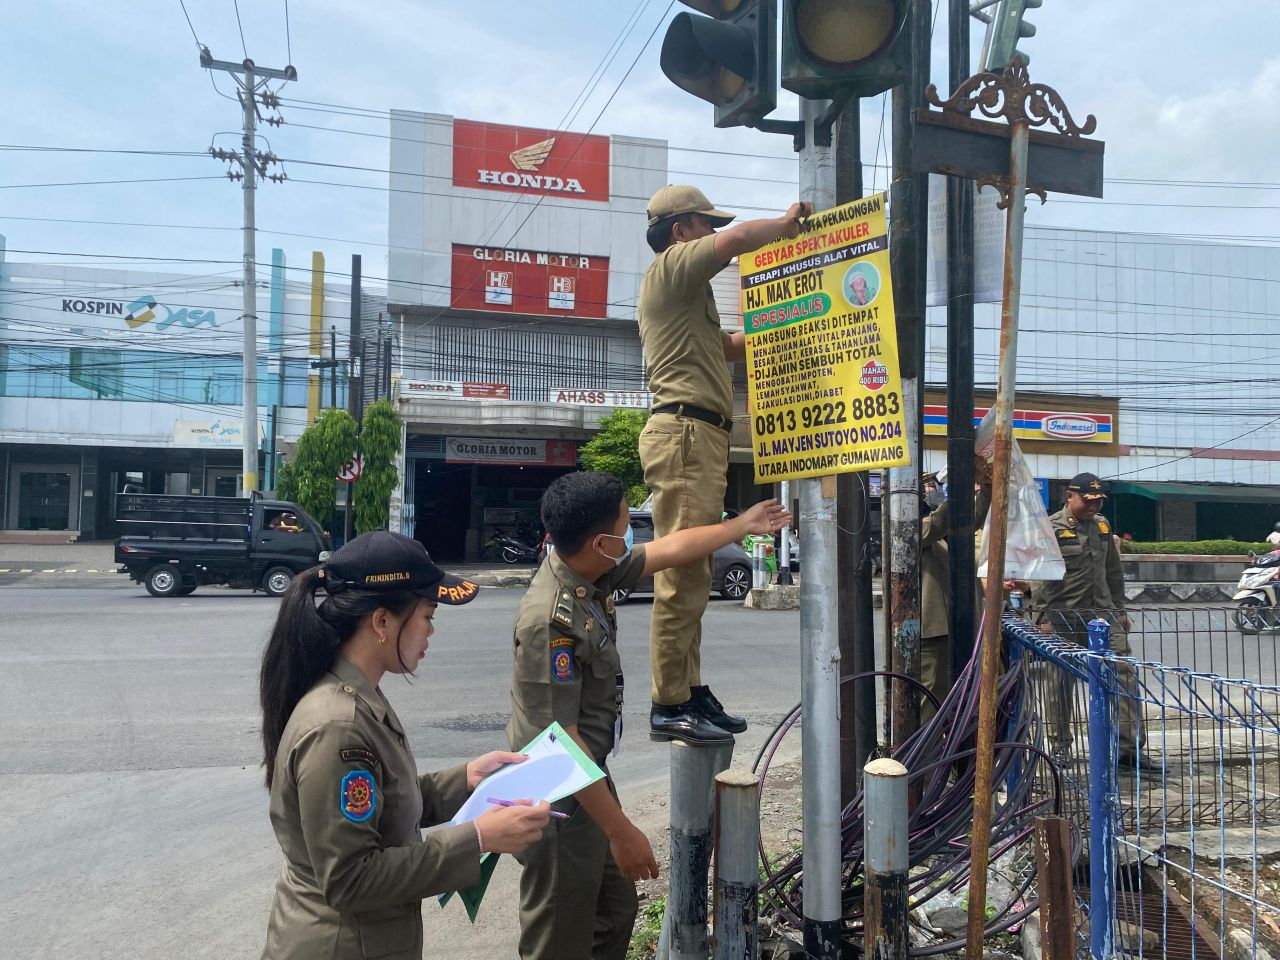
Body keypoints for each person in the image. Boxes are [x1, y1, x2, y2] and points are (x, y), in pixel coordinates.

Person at [508, 471, 790, 960]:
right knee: (560, 935)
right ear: (600, 541)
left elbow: (670, 550)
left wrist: (741, 525)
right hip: (557, 794)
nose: (632, 535)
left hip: (588, 776)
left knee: (614, 913)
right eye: (625, 525)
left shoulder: (588, 571)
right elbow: (559, 746)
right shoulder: (548, 619)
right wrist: (623, 832)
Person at [258, 531, 551, 960]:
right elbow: (351, 879)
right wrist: (478, 838)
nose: (431, 631)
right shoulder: (337, 727)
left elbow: (384, 803)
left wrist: (465, 781)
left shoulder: (357, 693)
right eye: (427, 616)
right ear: (382, 622)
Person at [637, 184, 813, 744]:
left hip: (699, 436)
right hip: (685, 433)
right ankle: (669, 702)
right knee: (683, 574)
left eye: (712, 224)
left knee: (695, 574)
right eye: (703, 223)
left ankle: (686, 690)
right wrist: (787, 224)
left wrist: (789, 321)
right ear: (680, 229)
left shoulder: (690, 300)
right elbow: (737, 240)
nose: (713, 232)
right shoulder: (671, 269)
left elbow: (727, 346)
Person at [1029, 473, 1153, 769]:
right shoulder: (1050, 527)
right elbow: (1039, 577)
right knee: (1060, 682)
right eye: (1087, 500)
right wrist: (1042, 617)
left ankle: (1129, 749)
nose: (1093, 506)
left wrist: (1120, 611)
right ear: (1069, 496)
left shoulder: (1102, 525)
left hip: (1104, 614)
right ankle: (1060, 746)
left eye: (1098, 501)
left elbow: (1113, 572)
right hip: (1063, 618)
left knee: (1124, 674)